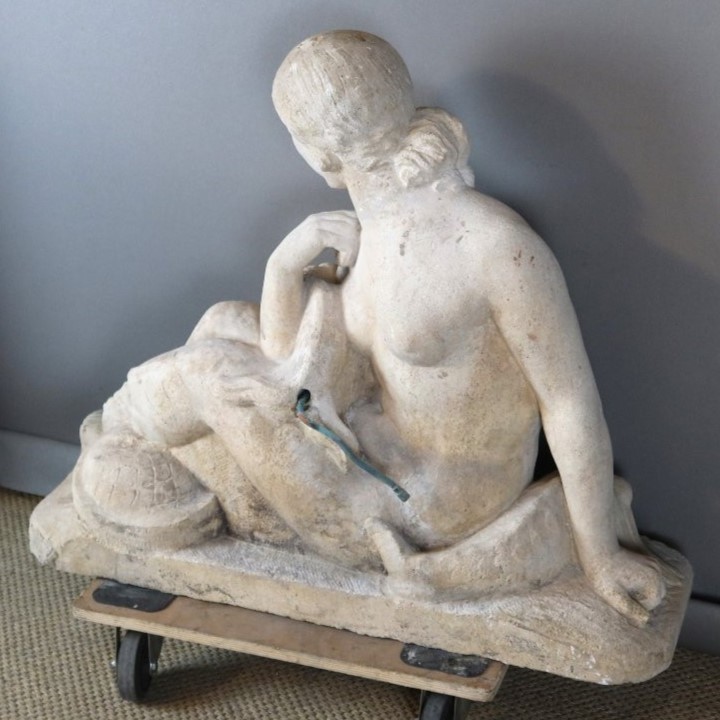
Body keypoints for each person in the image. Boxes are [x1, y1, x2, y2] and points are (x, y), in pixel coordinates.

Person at [76, 30, 664, 627]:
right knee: (225, 319)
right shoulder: (366, 231)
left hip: (430, 503)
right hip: (371, 443)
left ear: (319, 157)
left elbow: (567, 401)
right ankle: (133, 447)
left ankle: (118, 438)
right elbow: (286, 353)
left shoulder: (494, 247)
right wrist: (283, 265)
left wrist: (600, 554)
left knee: (207, 371)